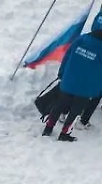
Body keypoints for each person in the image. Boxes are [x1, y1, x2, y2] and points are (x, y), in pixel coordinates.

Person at [42, 13, 102, 141]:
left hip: (69, 81)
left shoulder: (81, 39)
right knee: (76, 111)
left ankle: (48, 128)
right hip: (86, 87)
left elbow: (67, 57)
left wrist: (62, 73)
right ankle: (64, 134)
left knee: (59, 105)